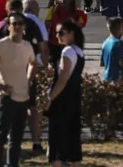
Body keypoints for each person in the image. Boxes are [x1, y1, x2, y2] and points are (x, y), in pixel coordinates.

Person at [0, 12, 36, 167]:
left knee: (16, 137)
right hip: (5, 97)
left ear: (24, 27)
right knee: (0, 135)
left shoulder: (27, 45)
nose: (17, 26)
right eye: (14, 23)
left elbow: (33, 63)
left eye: (20, 23)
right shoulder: (1, 45)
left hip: (23, 97)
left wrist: (29, 79)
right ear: (8, 26)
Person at [45, 19, 84, 167]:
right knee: (73, 140)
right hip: (74, 99)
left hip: (62, 101)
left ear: (72, 34)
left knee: (56, 142)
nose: (58, 36)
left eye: (61, 33)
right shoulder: (79, 51)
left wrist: (50, 97)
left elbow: (62, 79)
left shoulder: (68, 51)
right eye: (56, 33)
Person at [99, 18, 123, 84]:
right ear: (119, 28)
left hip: (107, 78)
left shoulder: (105, 42)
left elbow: (101, 63)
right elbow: (121, 63)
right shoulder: (119, 43)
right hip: (117, 79)